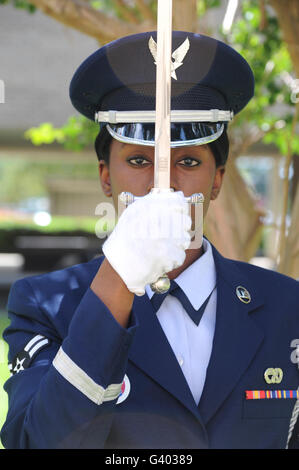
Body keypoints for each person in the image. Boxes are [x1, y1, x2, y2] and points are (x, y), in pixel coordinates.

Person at [1, 31, 299, 450]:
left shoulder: (289, 306)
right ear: (106, 176)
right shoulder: (45, 304)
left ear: (217, 180)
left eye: (189, 161)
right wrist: (119, 277)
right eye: (139, 160)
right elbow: (36, 442)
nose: (164, 183)